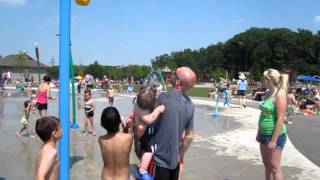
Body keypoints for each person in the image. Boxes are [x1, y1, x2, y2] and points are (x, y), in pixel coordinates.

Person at [149, 67, 196, 180]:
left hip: (159, 160)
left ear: (178, 81)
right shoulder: (190, 105)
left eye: (174, 73)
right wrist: (179, 155)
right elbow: (189, 136)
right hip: (175, 162)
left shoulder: (163, 97)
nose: (171, 75)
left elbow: (150, 123)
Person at [256, 69, 288, 180]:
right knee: (267, 166)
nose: (262, 80)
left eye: (263, 78)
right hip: (263, 134)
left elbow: (280, 119)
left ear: (269, 80)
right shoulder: (268, 93)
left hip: (275, 136)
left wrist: (273, 140)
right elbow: (264, 115)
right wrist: (259, 132)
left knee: (275, 168)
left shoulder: (279, 95)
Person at [132, 87, 165, 180]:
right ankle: (142, 171)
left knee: (143, 151)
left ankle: (142, 165)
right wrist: (158, 109)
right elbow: (150, 119)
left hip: (139, 135)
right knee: (150, 150)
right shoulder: (143, 112)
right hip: (144, 135)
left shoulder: (136, 104)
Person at [98, 107, 133, 180]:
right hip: (123, 178)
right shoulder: (128, 138)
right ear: (119, 121)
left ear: (103, 124)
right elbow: (124, 142)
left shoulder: (101, 140)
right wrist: (125, 128)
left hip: (106, 177)